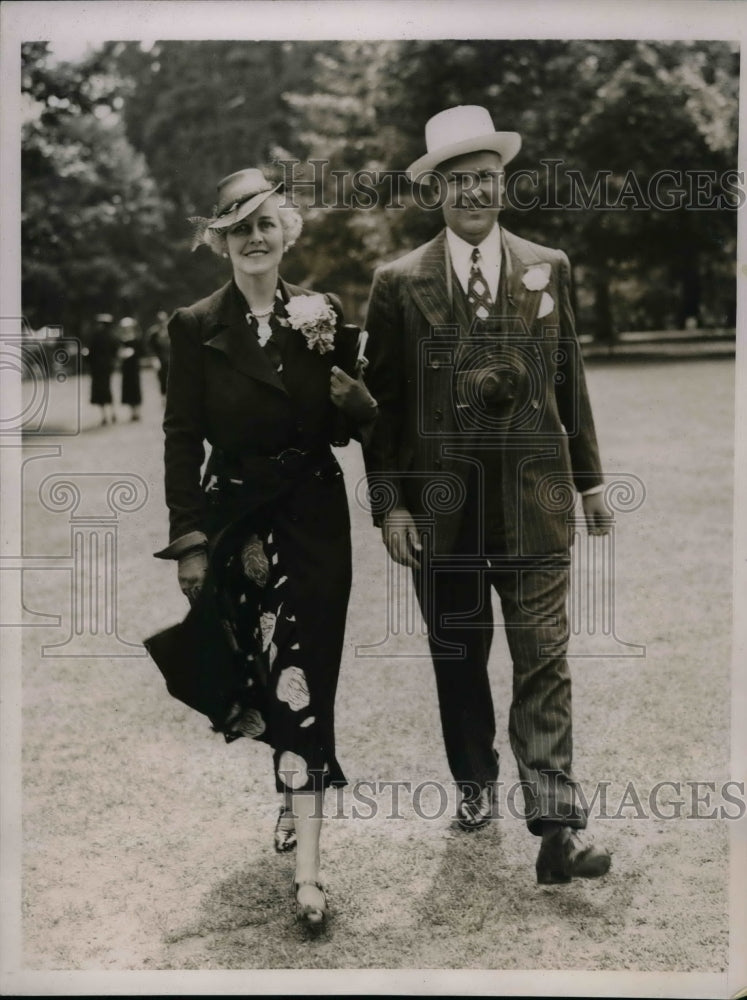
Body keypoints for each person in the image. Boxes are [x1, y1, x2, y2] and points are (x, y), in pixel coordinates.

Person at [362, 105, 612, 884]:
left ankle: (555, 823)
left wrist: (591, 480)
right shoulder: (397, 284)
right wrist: (391, 504)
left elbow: (568, 379)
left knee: (544, 659)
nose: (474, 192)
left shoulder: (548, 266)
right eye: (459, 180)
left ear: (501, 184)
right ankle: (474, 785)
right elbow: (380, 409)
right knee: (459, 657)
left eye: (486, 178)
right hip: (443, 512)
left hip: (535, 503)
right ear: (435, 190)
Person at [153, 168, 376, 927]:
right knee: (261, 669)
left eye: (265, 223)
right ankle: (289, 785)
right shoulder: (191, 326)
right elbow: (181, 438)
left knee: (306, 676)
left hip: (313, 518)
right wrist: (189, 541)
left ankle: (309, 876)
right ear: (219, 241)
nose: (254, 237)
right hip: (235, 521)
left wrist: (360, 407)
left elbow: (347, 418)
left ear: (287, 234)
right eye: (237, 226)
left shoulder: (321, 314)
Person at [87, 313, 118, 425]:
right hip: (107, 368)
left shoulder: (96, 337)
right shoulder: (112, 336)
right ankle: (112, 413)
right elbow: (115, 352)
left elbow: (90, 353)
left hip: (97, 368)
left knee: (100, 392)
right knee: (108, 389)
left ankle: (105, 416)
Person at [118, 316, 143, 421]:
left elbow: (140, 352)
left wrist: (132, 353)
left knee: (135, 388)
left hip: (134, 366)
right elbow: (119, 352)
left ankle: (137, 412)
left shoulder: (136, 339)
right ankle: (132, 412)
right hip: (126, 368)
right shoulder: (121, 340)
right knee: (128, 389)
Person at [148, 310, 171, 400]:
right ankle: (163, 398)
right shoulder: (153, 333)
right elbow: (150, 348)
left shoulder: (172, 331)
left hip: (173, 360)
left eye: (164, 320)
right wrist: (154, 359)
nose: (162, 322)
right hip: (161, 360)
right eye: (160, 320)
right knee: (162, 379)